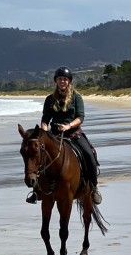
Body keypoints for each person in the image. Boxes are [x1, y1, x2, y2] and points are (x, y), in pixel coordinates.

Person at [31, 66, 102, 205]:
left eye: (65, 79)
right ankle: (37, 190)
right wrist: (43, 131)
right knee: (38, 156)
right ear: (56, 81)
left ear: (69, 81)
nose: (62, 81)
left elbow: (80, 117)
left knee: (89, 155)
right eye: (60, 79)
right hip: (54, 134)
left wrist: (68, 126)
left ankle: (93, 188)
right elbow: (45, 119)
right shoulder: (50, 99)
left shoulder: (76, 97)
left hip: (73, 133)